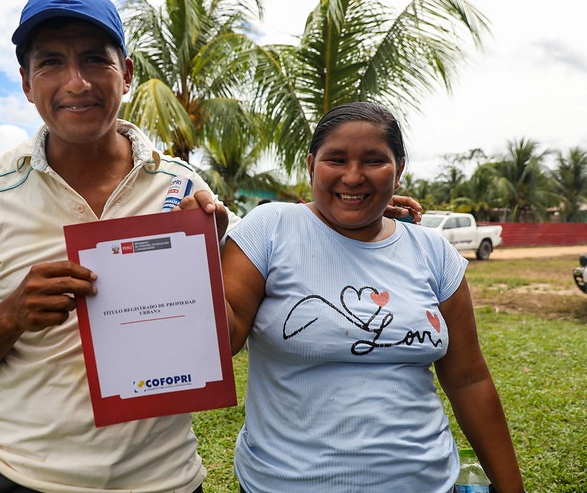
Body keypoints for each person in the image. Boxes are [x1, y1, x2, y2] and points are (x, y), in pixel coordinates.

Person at [0, 0, 422, 493]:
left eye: (96, 59)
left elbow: (222, 339)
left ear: (128, 74)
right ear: (27, 84)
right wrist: (11, 315)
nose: (76, 82)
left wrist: (367, 208)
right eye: (50, 62)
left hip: (166, 479)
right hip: (21, 475)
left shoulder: (182, 187)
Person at [219, 102, 524, 492]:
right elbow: (224, 340)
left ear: (398, 171)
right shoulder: (271, 229)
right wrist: (190, 258)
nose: (353, 176)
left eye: (374, 161)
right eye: (337, 159)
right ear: (312, 165)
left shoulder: (433, 252)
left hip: (426, 482)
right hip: (284, 482)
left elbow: (469, 380)